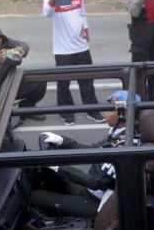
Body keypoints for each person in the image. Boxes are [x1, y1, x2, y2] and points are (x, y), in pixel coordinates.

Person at [30, 90, 142, 218]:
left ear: (125, 114)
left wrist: (58, 167)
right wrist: (61, 141)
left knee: (35, 196)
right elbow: (92, 150)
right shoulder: (118, 134)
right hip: (92, 192)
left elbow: (96, 182)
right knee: (53, 180)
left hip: (97, 203)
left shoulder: (124, 146)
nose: (106, 112)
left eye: (111, 109)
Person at [43, 0, 104, 126]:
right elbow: (46, 14)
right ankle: (66, 112)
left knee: (87, 80)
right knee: (64, 82)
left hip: (81, 45)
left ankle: (93, 110)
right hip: (63, 49)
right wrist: (53, 1)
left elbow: (82, 13)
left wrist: (86, 29)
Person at [0, 22, 47, 120]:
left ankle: (27, 108)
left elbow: (23, 44)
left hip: (10, 83)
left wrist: (23, 50)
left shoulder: (5, 43)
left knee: (39, 83)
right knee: (3, 121)